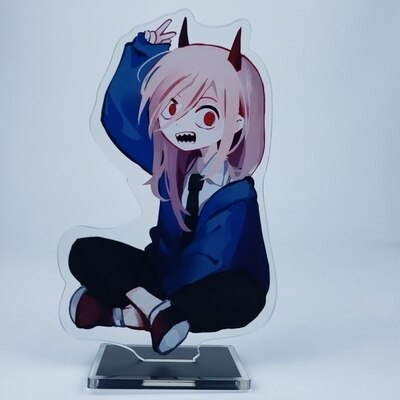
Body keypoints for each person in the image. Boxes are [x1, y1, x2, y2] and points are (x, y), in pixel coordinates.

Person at [68, 18, 270, 355]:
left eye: (206, 115)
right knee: (83, 251)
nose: (181, 124)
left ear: (237, 122)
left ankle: (125, 314)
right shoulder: (173, 166)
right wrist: (144, 52)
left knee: (243, 294)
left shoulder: (238, 196)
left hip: (212, 284)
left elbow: (210, 260)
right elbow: (121, 121)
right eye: (172, 108)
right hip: (164, 275)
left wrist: (155, 291)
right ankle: (156, 314)